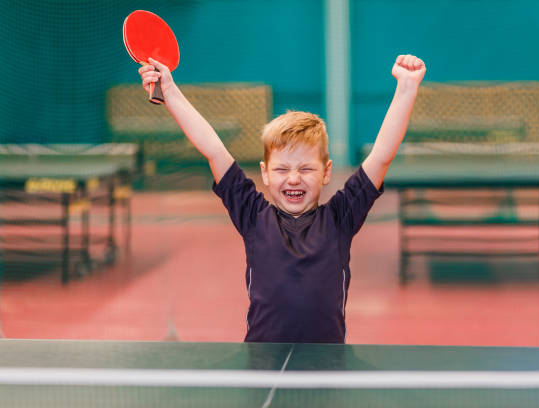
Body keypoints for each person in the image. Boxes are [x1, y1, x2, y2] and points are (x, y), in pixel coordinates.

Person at [138, 54, 426, 343]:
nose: (293, 178)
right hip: (261, 363)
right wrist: (171, 91)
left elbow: (381, 156)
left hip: (326, 365)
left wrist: (406, 87)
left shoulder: (341, 217)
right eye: (282, 169)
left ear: (326, 172)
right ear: (265, 173)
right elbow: (213, 149)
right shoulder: (252, 215)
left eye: (306, 168)